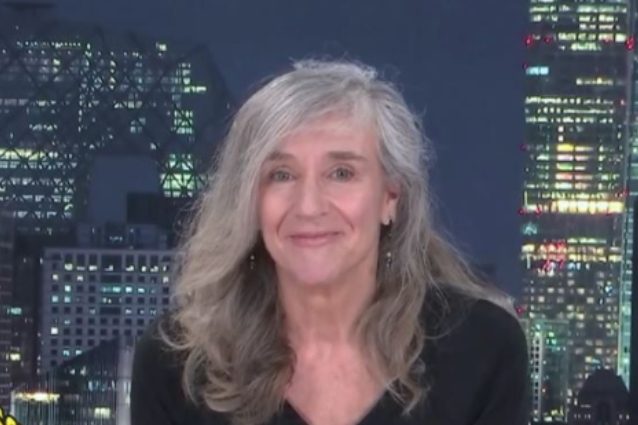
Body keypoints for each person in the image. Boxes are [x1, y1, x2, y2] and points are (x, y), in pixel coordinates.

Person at [131, 59, 530, 425]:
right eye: (281, 175)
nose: (308, 206)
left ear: (390, 196)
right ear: (249, 201)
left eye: (341, 173)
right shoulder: (176, 365)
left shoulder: (483, 348)